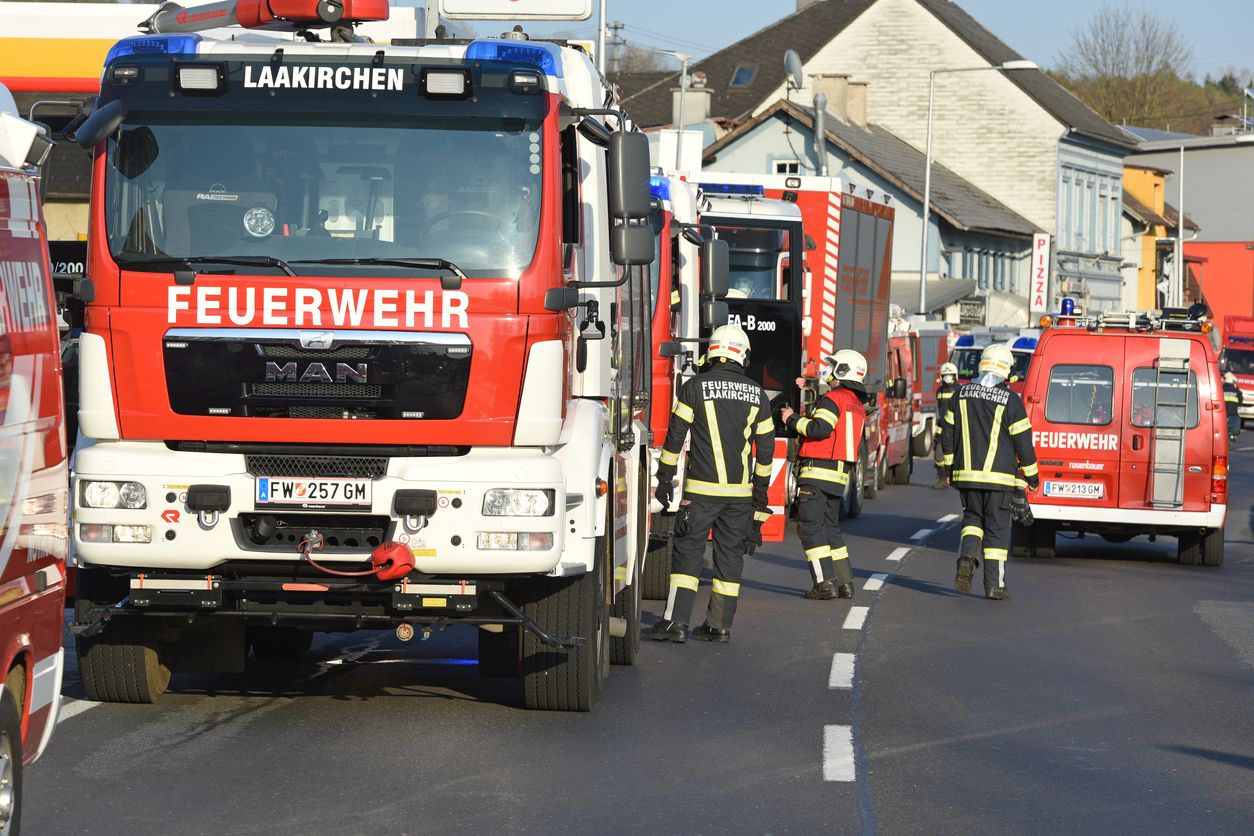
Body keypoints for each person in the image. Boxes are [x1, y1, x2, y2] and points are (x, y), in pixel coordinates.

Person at [646, 323, 775, 643]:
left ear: (712, 352)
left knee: (688, 555)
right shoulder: (758, 395)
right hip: (740, 497)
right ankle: (719, 626)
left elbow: (675, 437)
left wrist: (664, 478)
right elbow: (765, 454)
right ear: (743, 356)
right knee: (730, 559)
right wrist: (759, 505)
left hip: (700, 494)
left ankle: (676, 623)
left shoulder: (694, 387)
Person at [939, 343, 1039, 600]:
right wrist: (1032, 477)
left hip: (966, 476)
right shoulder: (1011, 401)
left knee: (972, 520)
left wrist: (950, 467)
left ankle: (967, 558)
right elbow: (1023, 442)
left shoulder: (959, 394)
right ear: (1006, 370)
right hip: (1000, 479)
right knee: (996, 529)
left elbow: (947, 434)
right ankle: (995, 585)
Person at [779, 349, 868, 600]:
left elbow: (820, 429)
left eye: (832, 365)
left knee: (810, 527)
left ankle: (824, 583)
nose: (827, 370)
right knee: (830, 528)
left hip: (817, 471)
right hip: (838, 476)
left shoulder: (833, 398)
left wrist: (792, 419)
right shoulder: (856, 404)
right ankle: (845, 583)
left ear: (843, 370)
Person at [933, 362, 959, 489]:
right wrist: (937, 433)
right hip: (944, 429)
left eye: (950, 375)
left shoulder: (959, 390)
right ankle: (943, 479)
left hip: (957, 429)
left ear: (955, 376)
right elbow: (940, 413)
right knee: (939, 456)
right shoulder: (939, 392)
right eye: (945, 375)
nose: (948, 377)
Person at [1223, 370, 1243, 440]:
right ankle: (1232, 435)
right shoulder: (1236, 391)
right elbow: (1240, 400)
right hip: (1233, 414)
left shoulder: (1221, 389)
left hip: (1222, 415)